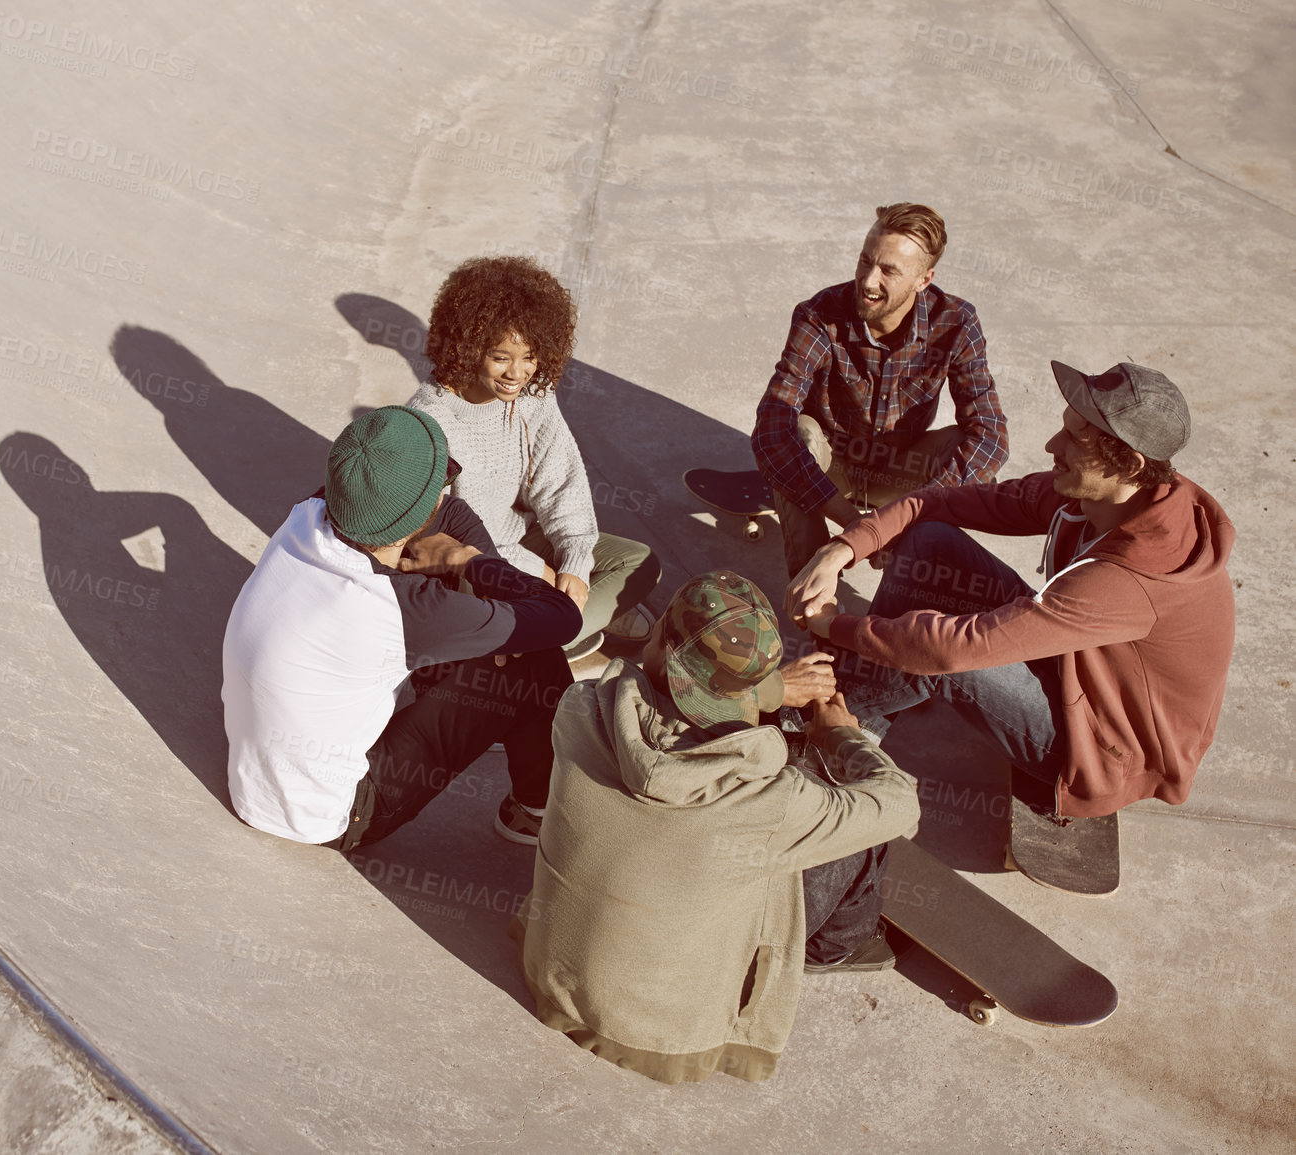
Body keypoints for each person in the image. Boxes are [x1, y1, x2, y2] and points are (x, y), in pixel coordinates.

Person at [510, 572, 920, 1084]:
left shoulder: (580, 707)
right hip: (660, 1036)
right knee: (850, 824)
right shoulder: (775, 802)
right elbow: (901, 805)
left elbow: (648, 680)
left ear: (658, 636)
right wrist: (843, 739)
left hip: (551, 977)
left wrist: (773, 689)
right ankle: (841, 946)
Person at [787, 361, 1235, 821]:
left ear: (1132, 464)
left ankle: (832, 730)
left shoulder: (1134, 577)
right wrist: (841, 550)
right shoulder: (1107, 494)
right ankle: (854, 707)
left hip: (1102, 746)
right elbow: (936, 501)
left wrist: (833, 624)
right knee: (930, 542)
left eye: (1075, 442)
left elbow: (957, 649)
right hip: (1076, 668)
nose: (1051, 447)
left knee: (950, 656)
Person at [223, 405, 583, 851]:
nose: (445, 493)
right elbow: (562, 618)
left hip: (255, 781)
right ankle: (534, 809)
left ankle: (458, 660)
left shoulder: (310, 513)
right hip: (335, 815)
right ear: (415, 513)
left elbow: (450, 512)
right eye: (439, 484)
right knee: (536, 662)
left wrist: (484, 598)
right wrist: (466, 562)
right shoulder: (397, 607)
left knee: (497, 632)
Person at [409, 255, 660, 661]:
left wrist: (575, 565)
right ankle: (557, 629)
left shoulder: (531, 394)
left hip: (522, 533)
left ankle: (549, 632)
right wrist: (539, 575)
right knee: (489, 591)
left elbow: (561, 482)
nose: (517, 373)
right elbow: (453, 536)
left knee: (642, 563)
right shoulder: (430, 419)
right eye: (501, 356)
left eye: (529, 356)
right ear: (467, 345)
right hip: (474, 561)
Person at [751, 202, 1009, 580]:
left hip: (901, 473)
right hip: (830, 469)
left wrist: (903, 518)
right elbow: (772, 427)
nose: (869, 281)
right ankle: (814, 603)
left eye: (889, 270)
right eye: (865, 261)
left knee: (974, 461)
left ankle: (907, 591)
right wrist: (854, 524)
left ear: (924, 279)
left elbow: (992, 437)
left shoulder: (955, 323)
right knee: (796, 437)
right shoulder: (820, 315)